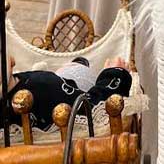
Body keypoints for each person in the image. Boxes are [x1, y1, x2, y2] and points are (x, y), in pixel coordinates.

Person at [4, 56, 132, 132]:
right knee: (76, 72)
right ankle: (76, 66)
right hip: (72, 94)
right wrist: (115, 74)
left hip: (57, 89)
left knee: (69, 72)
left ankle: (73, 67)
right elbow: (95, 108)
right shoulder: (45, 87)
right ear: (10, 60)